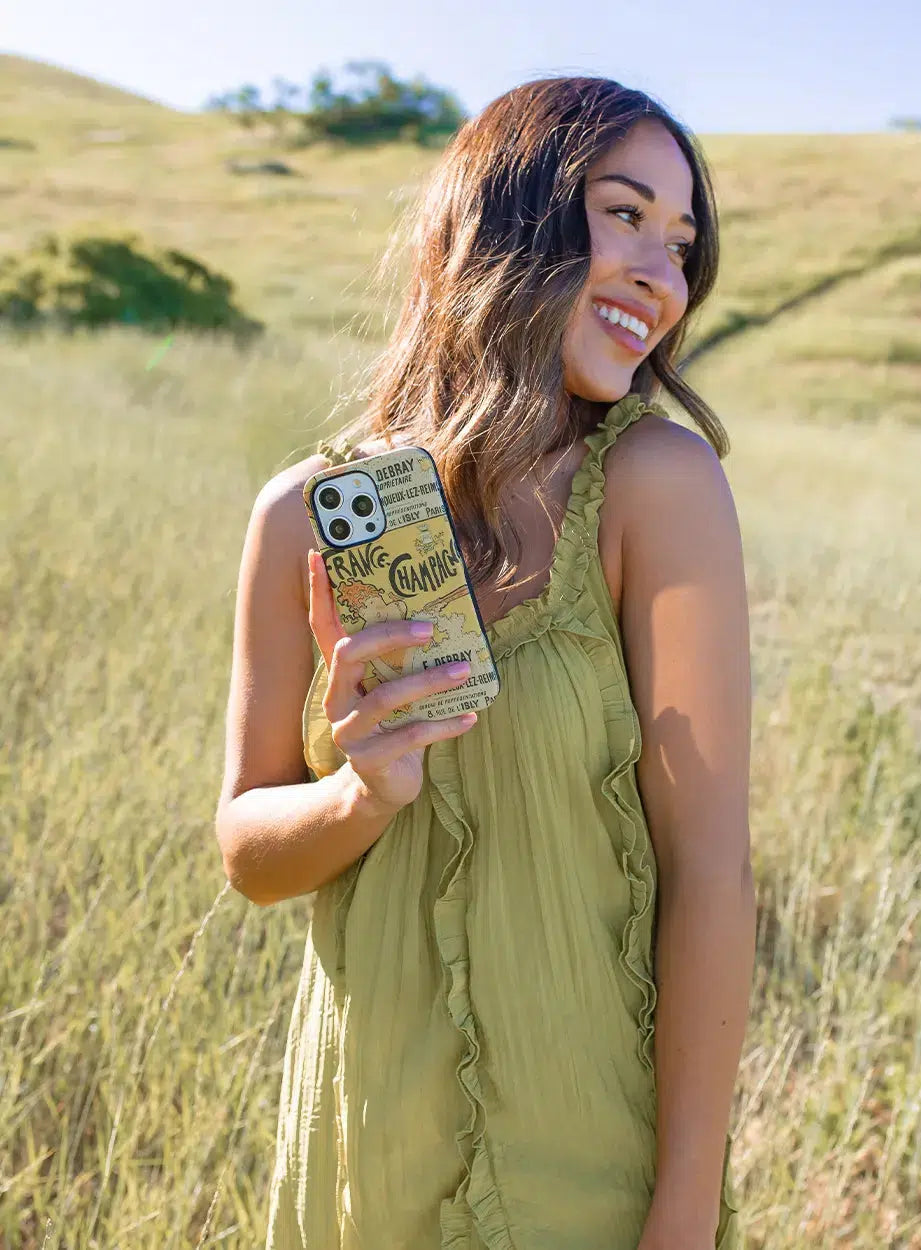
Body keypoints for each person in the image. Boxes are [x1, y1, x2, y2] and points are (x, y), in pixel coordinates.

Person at [216, 74, 755, 1250]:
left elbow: (712, 875)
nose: (662, 276)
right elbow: (248, 852)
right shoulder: (303, 515)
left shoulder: (658, 487)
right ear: (504, 217)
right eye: (624, 215)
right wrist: (362, 791)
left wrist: (683, 1214)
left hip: (586, 1160)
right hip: (363, 1155)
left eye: (679, 245)